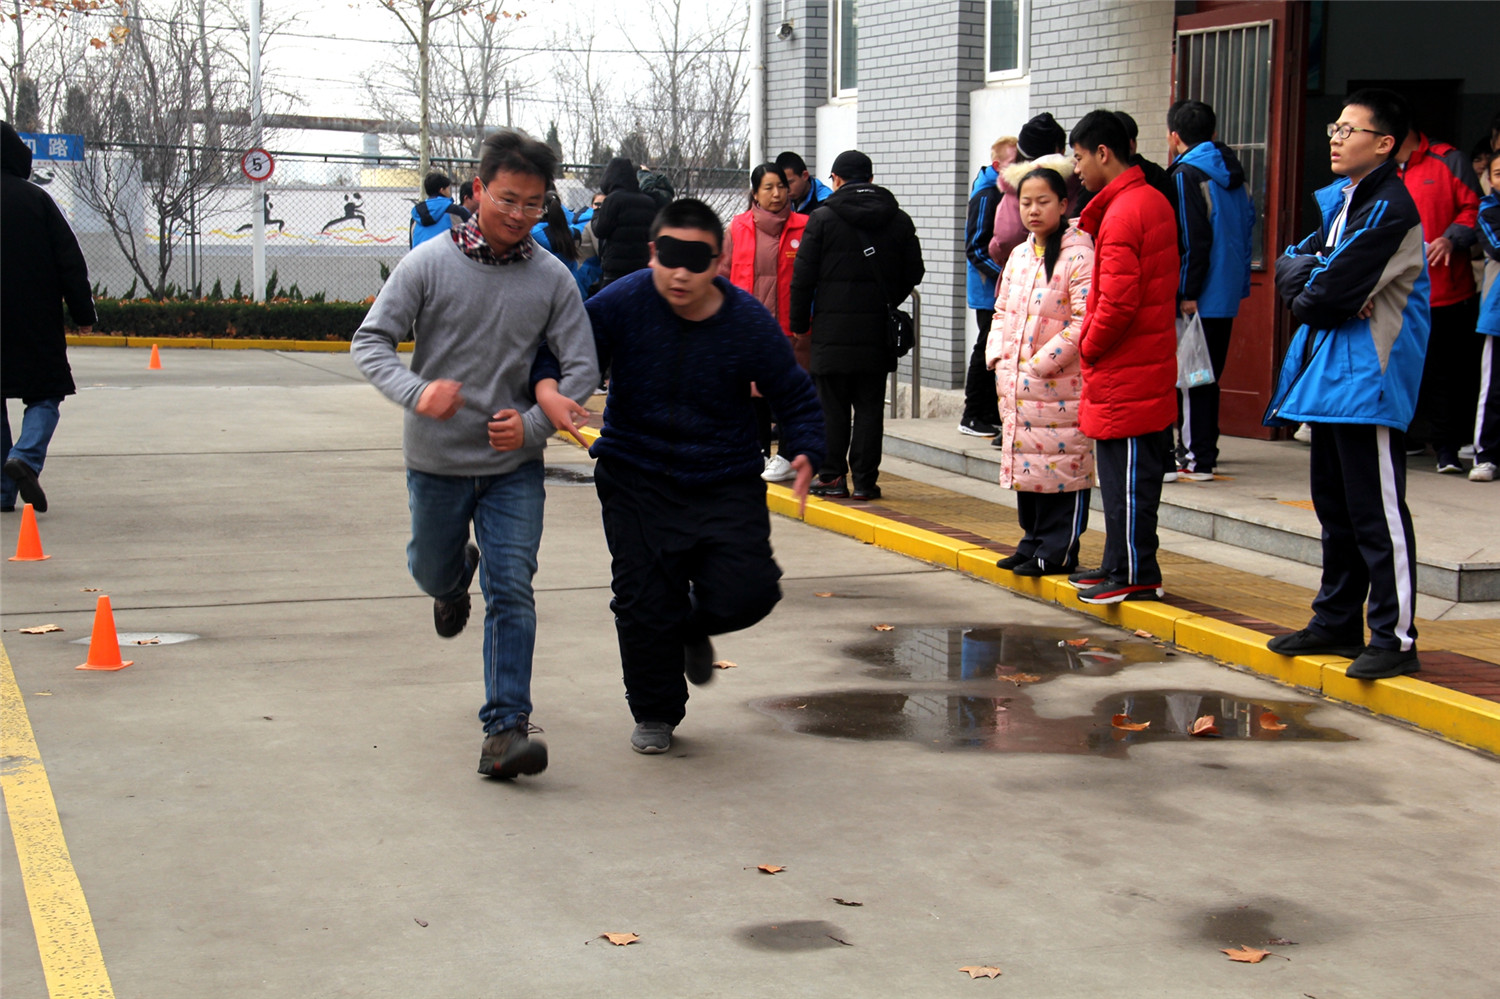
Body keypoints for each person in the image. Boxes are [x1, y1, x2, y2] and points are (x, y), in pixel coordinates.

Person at [351, 130, 599, 779]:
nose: (519, 215)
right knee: (433, 570)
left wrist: (533, 426)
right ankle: (449, 577)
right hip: (436, 458)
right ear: (479, 190)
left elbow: (581, 369)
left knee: (513, 585)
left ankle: (505, 730)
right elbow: (370, 341)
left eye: (534, 204)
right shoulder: (428, 263)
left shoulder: (552, 276)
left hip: (512, 464)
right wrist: (417, 391)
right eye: (508, 199)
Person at [580, 198, 824, 755]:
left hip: (722, 477)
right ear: (651, 253)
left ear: (719, 260)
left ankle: (692, 626)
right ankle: (656, 712)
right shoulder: (620, 303)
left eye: (697, 260)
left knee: (751, 592)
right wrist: (551, 389)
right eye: (670, 257)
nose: (682, 272)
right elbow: (569, 354)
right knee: (642, 601)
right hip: (634, 473)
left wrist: (808, 446)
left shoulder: (746, 321)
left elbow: (791, 389)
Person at [1264, 88, 1430, 680]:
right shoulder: (1343, 202)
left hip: (1371, 380)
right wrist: (1319, 283)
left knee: (1376, 514)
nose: (1334, 136)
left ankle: (1395, 637)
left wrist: (1322, 287)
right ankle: (1337, 621)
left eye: (1349, 129)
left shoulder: (1390, 206)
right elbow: (1293, 265)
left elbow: (1324, 294)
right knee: (1336, 511)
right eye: (1334, 127)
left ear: (1384, 144)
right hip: (1330, 378)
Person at [1065, 110, 1180, 605]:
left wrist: (1085, 346)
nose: (1077, 169)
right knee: (1117, 478)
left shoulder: (1127, 210)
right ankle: (1118, 563)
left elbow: (1116, 302)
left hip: (1128, 370)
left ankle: (1135, 570)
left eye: (1079, 157)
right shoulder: (1138, 202)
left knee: (1130, 481)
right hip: (1132, 368)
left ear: (1103, 153)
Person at [789, 149, 925, 501]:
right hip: (876, 329)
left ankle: (833, 477)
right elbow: (915, 272)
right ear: (871, 179)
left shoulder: (821, 219)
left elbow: (802, 278)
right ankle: (865, 481)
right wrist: (885, 300)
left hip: (831, 330)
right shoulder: (898, 219)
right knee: (869, 406)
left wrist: (799, 324)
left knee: (831, 405)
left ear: (835, 180)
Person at [986, 166, 1095, 576]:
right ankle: (1031, 542)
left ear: (1064, 204)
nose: (1033, 210)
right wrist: (998, 358)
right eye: (1025, 202)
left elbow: (1085, 319)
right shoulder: (1018, 254)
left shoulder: (1079, 253)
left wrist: (1041, 364)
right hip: (1018, 383)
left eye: (1043, 201)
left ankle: (1058, 549)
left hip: (1059, 385)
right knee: (1028, 468)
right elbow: (1001, 311)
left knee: (1062, 470)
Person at [2, 120, 95, 515]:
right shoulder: (37, 200)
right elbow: (68, 261)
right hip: (33, 317)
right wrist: (82, 312)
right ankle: (25, 455)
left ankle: (2, 493)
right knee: (46, 392)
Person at [1165, 99, 1255, 481]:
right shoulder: (1234, 173)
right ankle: (1206, 450)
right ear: (1213, 134)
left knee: (1190, 377)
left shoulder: (1186, 175)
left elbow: (1192, 238)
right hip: (1226, 290)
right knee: (1207, 374)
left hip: (1198, 293)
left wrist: (1186, 289)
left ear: (1174, 137)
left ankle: (1195, 456)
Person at [1395, 122, 1482, 473]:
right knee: (1401, 370)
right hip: (1397, 293)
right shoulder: (1379, 169)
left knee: (1445, 372)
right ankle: (1407, 438)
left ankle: (1447, 447)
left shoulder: (1448, 161)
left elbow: (1474, 208)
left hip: (1445, 289)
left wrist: (1451, 237)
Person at [718, 162, 810, 482]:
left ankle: (786, 453)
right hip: (749, 325)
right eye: (768, 187)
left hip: (790, 326)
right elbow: (723, 275)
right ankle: (757, 451)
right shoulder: (738, 227)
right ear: (755, 193)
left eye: (781, 186)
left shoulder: (804, 227)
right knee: (751, 392)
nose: (776, 194)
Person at [958, 136, 1016, 439]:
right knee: (985, 348)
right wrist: (1008, 276)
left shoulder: (1001, 191)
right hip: (987, 290)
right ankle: (971, 414)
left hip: (997, 286)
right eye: (1013, 163)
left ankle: (988, 412)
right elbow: (976, 249)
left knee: (995, 350)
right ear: (997, 166)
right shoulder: (987, 195)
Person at [1469, 150, 1500, 482]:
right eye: (1498, 173)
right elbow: (1496, 246)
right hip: (1497, 313)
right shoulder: (1489, 210)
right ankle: (1486, 454)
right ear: (1489, 179)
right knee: (1493, 389)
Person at [591, 157, 657, 287]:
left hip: (615, 270)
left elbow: (600, 230)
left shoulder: (613, 200)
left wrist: (597, 212)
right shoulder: (648, 201)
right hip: (641, 268)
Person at [410, 171, 464, 247]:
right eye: (448, 189)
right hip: (445, 257)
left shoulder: (416, 216)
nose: (449, 192)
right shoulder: (456, 212)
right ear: (442, 190)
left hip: (419, 257)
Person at [776, 151, 832, 215]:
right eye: (782, 184)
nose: (787, 189)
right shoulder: (779, 199)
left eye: (790, 182)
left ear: (805, 175)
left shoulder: (826, 202)